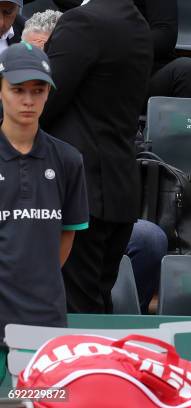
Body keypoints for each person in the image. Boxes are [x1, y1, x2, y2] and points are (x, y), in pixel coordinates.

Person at [40, 0, 153, 313]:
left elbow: (43, 102)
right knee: (95, 306)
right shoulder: (138, 24)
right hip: (118, 191)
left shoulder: (83, 21)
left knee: (76, 312)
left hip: (79, 193)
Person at [0, 42, 88, 343]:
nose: (28, 100)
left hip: (46, 321)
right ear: (0, 89)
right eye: (17, 89)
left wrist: (38, 278)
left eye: (37, 90)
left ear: (48, 93)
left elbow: (67, 236)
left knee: (46, 394)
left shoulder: (68, 160)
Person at [51, 0, 191, 101]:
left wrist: (118, 47)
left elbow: (165, 34)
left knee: (187, 70)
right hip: (88, 76)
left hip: (140, 74)